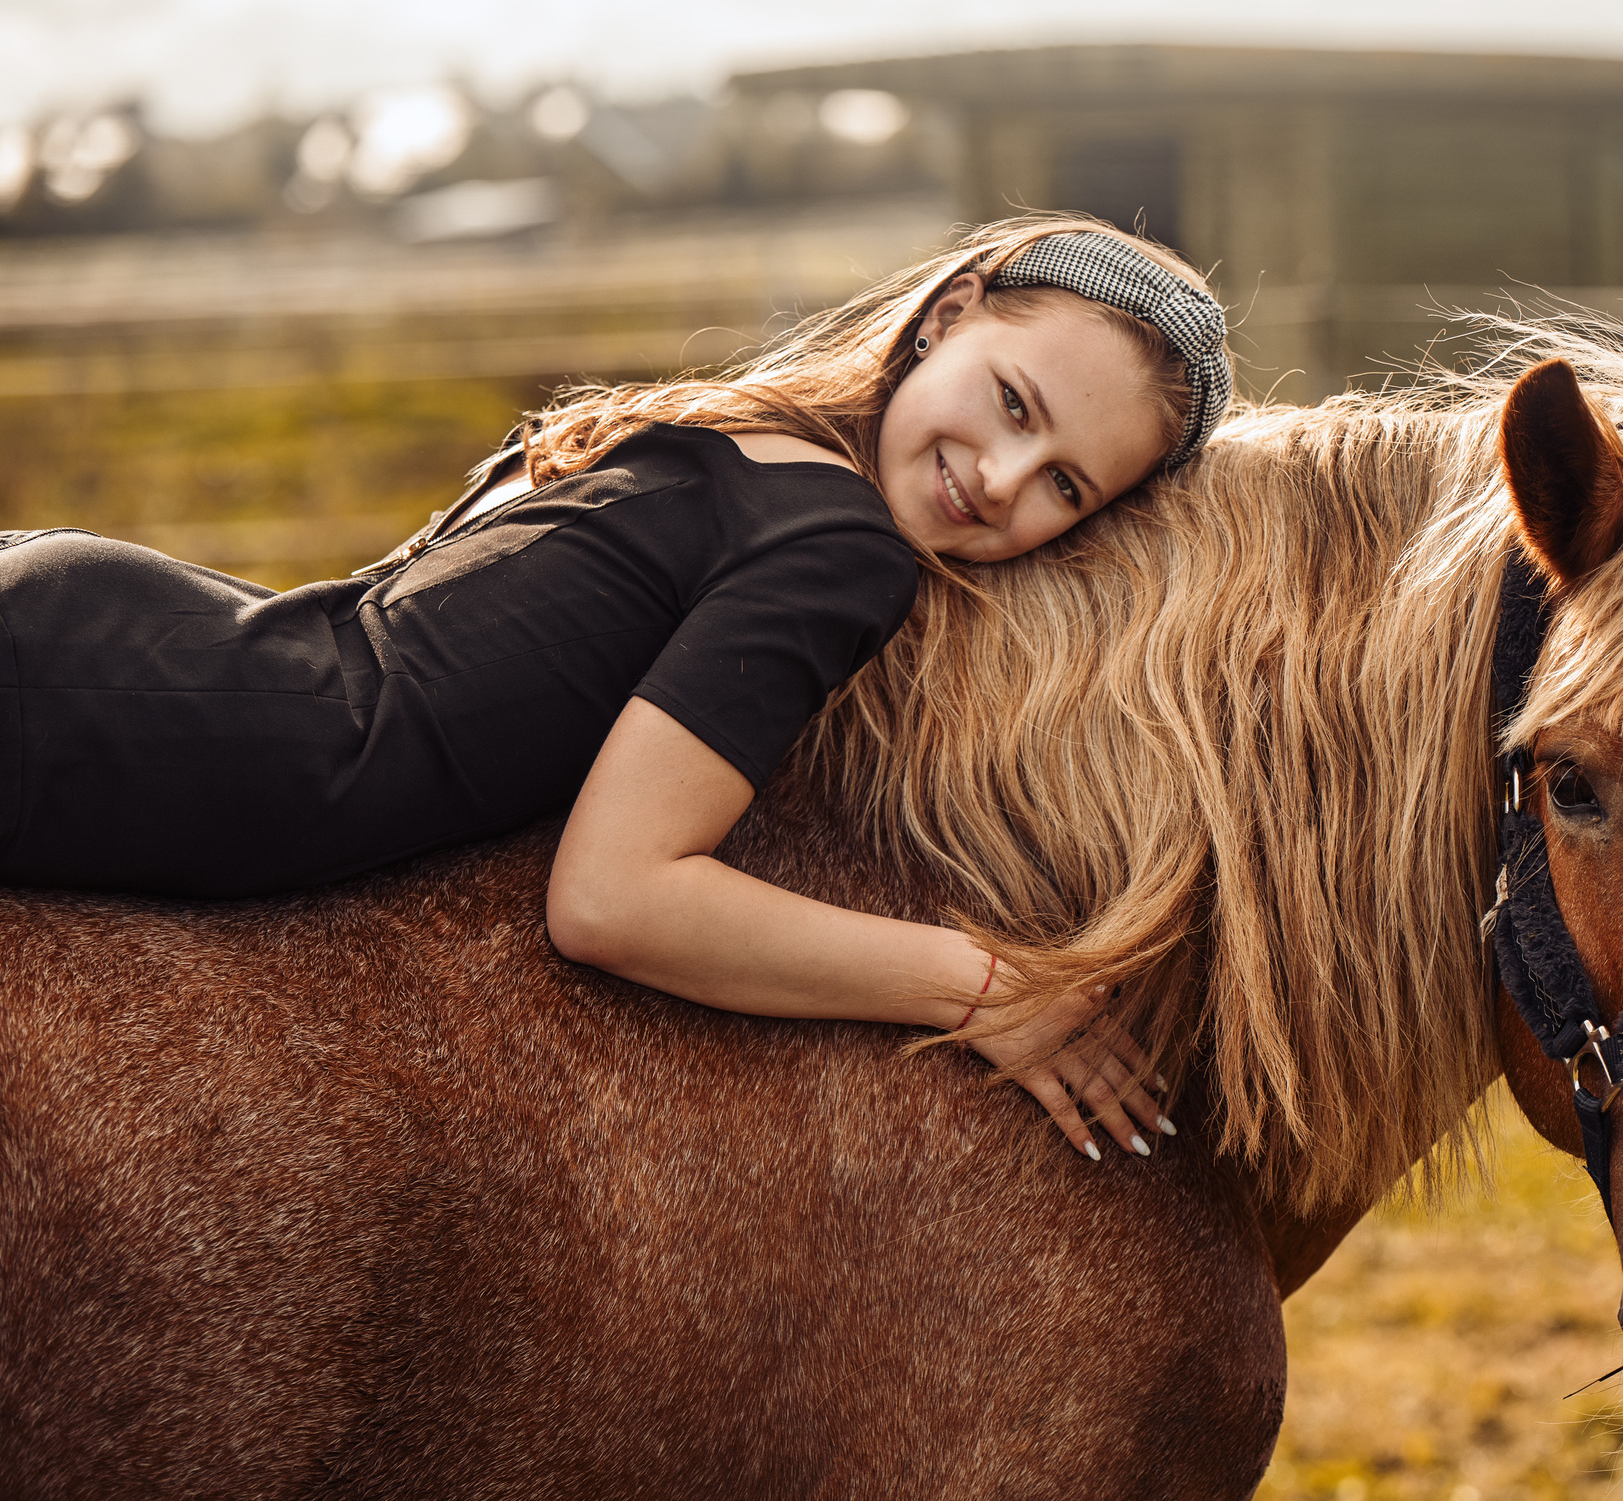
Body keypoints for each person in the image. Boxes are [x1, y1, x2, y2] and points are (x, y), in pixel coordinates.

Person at [0, 217, 1233, 1163]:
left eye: (1066, 486)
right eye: (1013, 403)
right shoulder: (838, 545)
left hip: (127, 642)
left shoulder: (748, 447)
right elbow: (614, 896)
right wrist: (988, 987)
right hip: (148, 714)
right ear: (948, 313)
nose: (1003, 476)